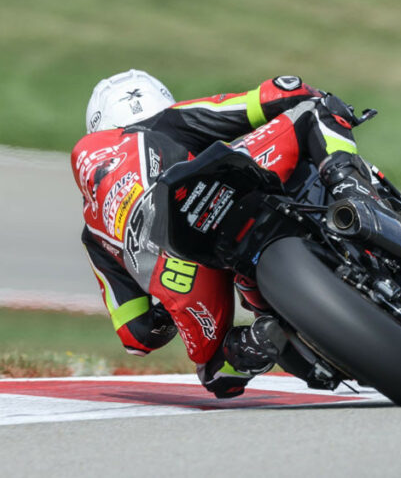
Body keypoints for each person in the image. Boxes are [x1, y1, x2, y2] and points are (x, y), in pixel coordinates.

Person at [70, 69, 376, 398]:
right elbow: (266, 99)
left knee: (215, 372)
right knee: (315, 111)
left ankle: (256, 344)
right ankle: (353, 195)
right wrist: (301, 90)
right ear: (159, 102)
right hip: (217, 192)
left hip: (180, 267)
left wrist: (168, 309)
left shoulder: (93, 232)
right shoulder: (167, 121)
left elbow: (138, 335)